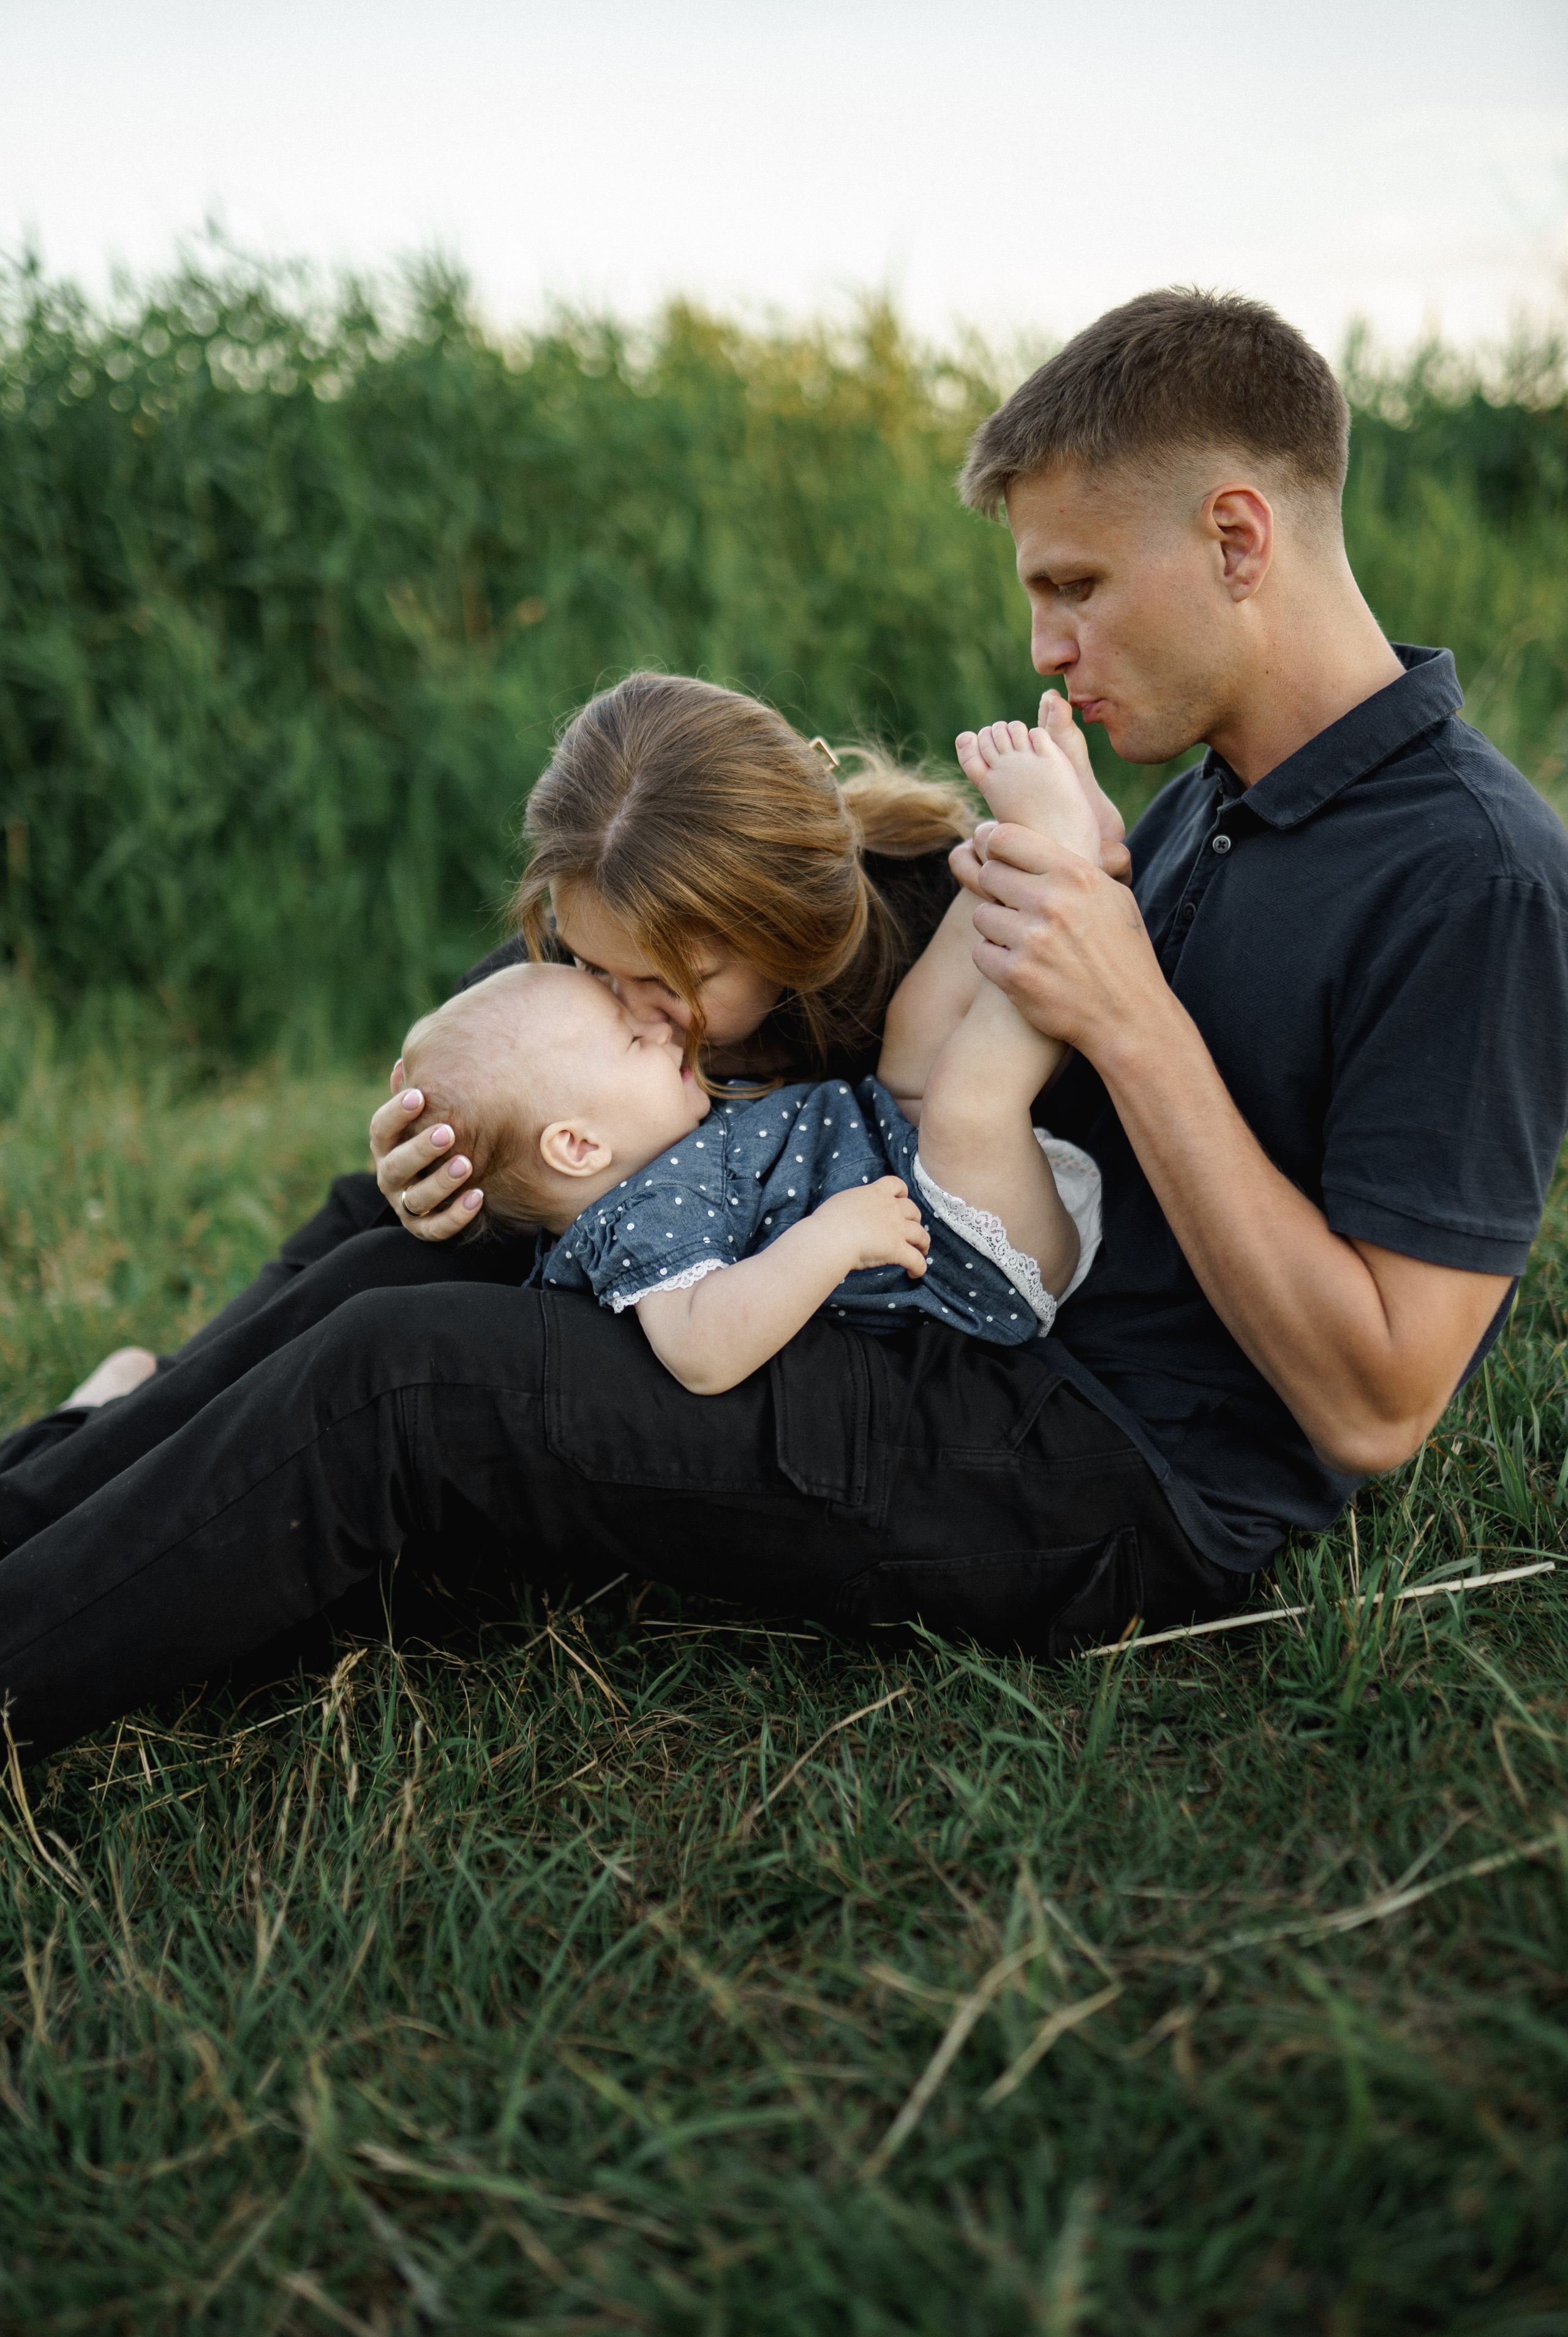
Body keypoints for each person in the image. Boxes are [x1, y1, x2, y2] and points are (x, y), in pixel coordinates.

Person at [5, 287, 1567, 1767]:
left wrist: (1129, 1017)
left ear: (1236, 535)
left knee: (406, 1379)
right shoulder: (1212, 802)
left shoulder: (1470, 880)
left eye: (1072, 585)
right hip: (958, 1318)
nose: (1042, 644)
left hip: (1106, 1468)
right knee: (393, 1260)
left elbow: (1377, 1402)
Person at [393, 717, 1113, 1389]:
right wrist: (423, 1164)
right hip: (966, 1259)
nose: (637, 1014)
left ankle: (1051, 855)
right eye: (593, 971)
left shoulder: (901, 896)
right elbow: (702, 1344)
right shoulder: (632, 1194)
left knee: (920, 1027)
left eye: (667, 984)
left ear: (783, 933)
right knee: (967, 1099)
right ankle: (1066, 861)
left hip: (921, 1158)